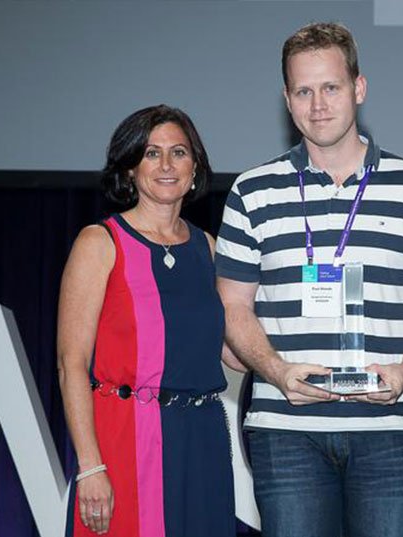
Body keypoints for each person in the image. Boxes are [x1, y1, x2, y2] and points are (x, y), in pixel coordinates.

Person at [215, 22, 403, 537]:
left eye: (330, 87)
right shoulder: (251, 191)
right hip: (286, 432)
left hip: (390, 429)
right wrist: (276, 371)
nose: (318, 105)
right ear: (287, 100)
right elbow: (232, 306)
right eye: (303, 91)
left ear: (359, 88)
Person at [57, 104, 242, 536]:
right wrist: (90, 466)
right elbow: (71, 364)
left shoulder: (209, 249)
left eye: (178, 152)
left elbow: (234, 353)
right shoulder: (100, 243)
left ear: (195, 168)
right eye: (151, 153)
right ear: (130, 170)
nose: (166, 165)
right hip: (123, 440)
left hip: (201, 442)